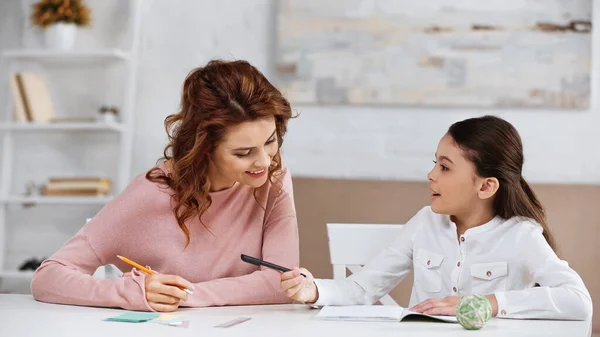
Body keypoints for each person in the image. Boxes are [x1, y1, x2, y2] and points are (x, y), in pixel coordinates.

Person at [31, 59, 299, 312]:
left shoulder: (273, 178)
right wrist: (132, 292)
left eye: (270, 141)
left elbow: (281, 281)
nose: (264, 160)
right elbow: (48, 277)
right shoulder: (150, 194)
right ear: (204, 147)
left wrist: (185, 295)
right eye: (243, 153)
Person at [280, 115, 592, 320]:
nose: (431, 175)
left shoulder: (520, 235)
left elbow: (578, 301)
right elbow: (363, 288)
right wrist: (314, 289)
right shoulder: (424, 223)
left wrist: (489, 303)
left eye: (444, 167)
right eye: (435, 164)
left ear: (486, 186)